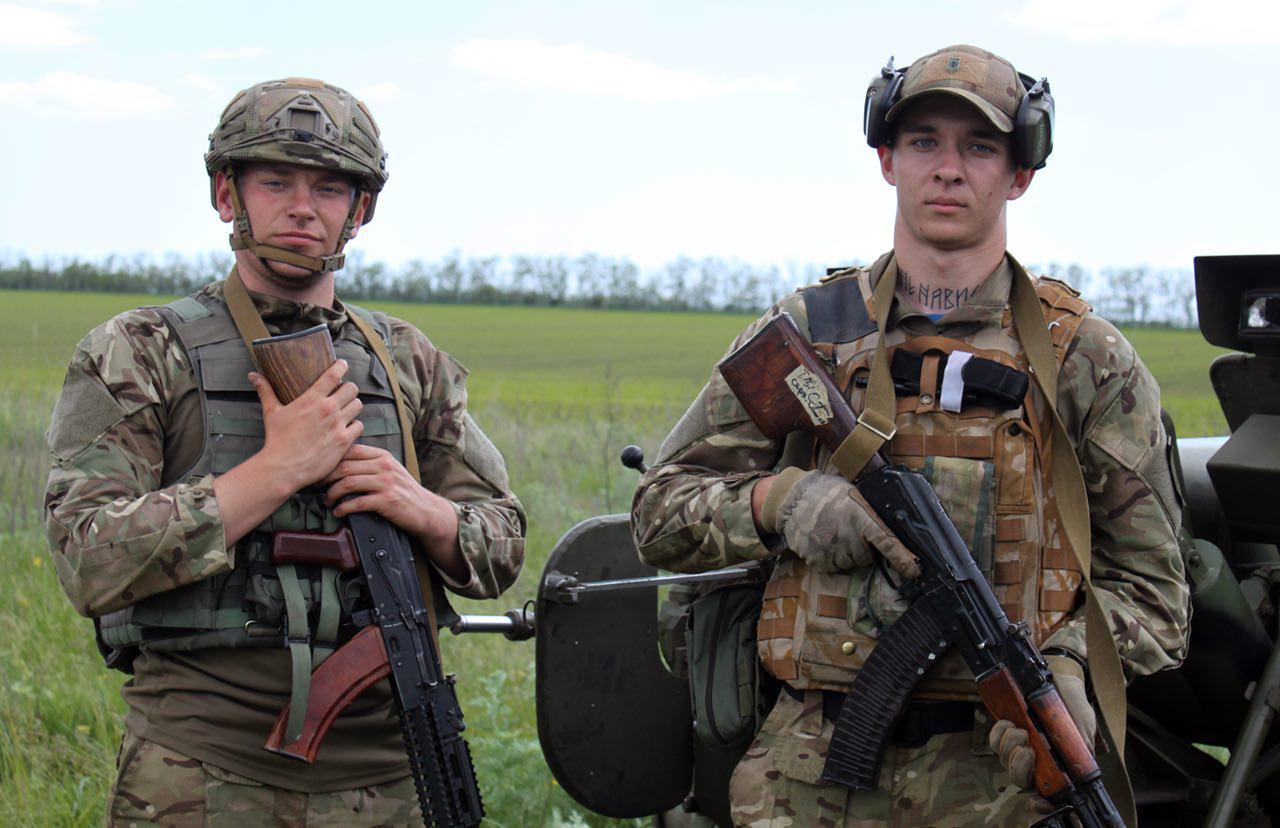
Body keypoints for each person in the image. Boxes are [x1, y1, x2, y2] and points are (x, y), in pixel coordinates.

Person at [632, 45, 1190, 826]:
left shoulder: (1085, 361)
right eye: (924, 141)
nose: (948, 170)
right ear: (888, 160)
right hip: (806, 779)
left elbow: (1158, 595)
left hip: (1002, 784)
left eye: (980, 147)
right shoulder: (809, 334)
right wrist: (782, 503)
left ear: (1020, 175)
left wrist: (1071, 665)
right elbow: (658, 511)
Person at [44, 77, 525, 825]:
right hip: (199, 772)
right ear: (226, 194)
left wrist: (424, 510)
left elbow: (502, 544)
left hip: (395, 774)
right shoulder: (140, 351)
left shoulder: (407, 361)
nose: (303, 207)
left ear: (359, 210)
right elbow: (86, 557)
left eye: (329, 189)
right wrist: (274, 472)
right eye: (275, 182)